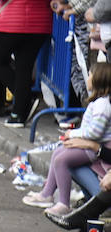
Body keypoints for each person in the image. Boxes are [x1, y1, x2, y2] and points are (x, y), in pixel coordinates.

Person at [22, 63, 111, 216]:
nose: (87, 78)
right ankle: (47, 194)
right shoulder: (98, 103)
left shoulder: (103, 105)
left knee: (62, 160)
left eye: (90, 75)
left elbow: (94, 133)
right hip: (88, 145)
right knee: (57, 152)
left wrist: (73, 134)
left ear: (98, 80)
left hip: (92, 148)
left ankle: (63, 202)